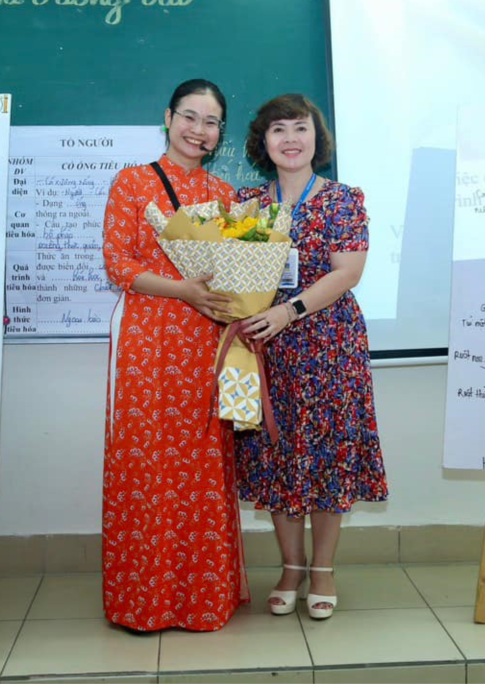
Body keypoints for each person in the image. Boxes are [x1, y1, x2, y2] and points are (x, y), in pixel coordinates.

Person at [100, 79, 248, 632]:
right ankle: (143, 602)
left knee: (203, 463)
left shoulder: (226, 195)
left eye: (211, 122)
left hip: (208, 341)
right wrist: (183, 290)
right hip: (147, 340)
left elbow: (238, 273)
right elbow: (118, 264)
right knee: (146, 462)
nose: (198, 130)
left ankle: (201, 599)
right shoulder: (133, 182)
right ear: (168, 118)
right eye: (190, 116)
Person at [236, 93, 388, 620]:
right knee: (277, 455)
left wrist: (289, 311)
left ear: (316, 138)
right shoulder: (246, 204)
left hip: (329, 344)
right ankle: (291, 567)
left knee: (327, 454)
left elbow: (348, 273)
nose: (290, 139)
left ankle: (323, 569)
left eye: (300, 128)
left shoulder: (344, 199)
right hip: (267, 347)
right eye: (278, 129)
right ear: (264, 142)